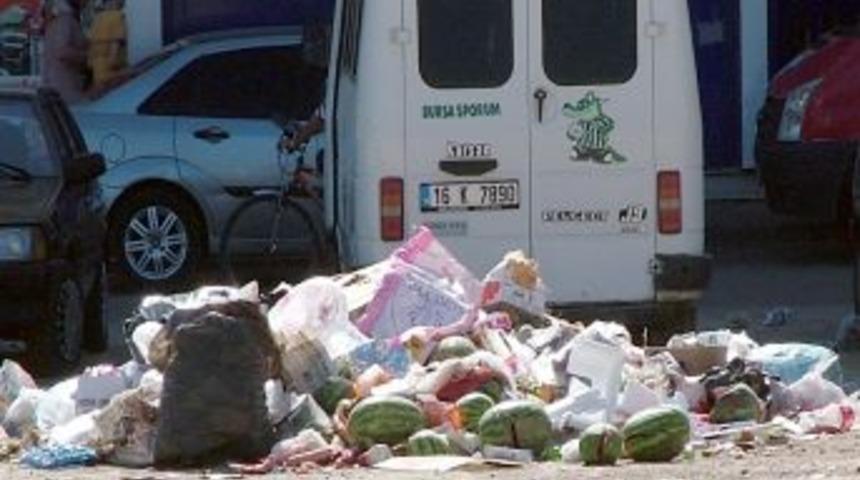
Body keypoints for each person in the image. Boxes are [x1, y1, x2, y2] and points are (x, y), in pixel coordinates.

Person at [41, 0, 88, 104]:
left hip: (54, 89)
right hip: (67, 91)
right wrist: (89, 58)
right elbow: (62, 52)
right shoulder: (66, 21)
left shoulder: (55, 23)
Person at [87, 0, 127, 91]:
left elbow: (91, 47)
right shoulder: (117, 17)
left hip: (97, 68)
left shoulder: (97, 19)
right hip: (111, 71)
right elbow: (115, 46)